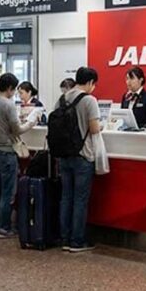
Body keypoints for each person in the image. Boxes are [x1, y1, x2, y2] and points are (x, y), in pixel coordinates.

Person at [0, 73, 40, 238]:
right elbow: (17, 129)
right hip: (7, 152)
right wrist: (31, 123)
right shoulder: (8, 105)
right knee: (7, 192)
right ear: (9, 88)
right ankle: (5, 227)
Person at [58, 67, 101, 253]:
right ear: (90, 82)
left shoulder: (63, 98)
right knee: (80, 200)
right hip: (83, 155)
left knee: (66, 197)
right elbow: (94, 129)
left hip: (64, 155)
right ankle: (77, 241)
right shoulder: (89, 100)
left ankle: (65, 238)